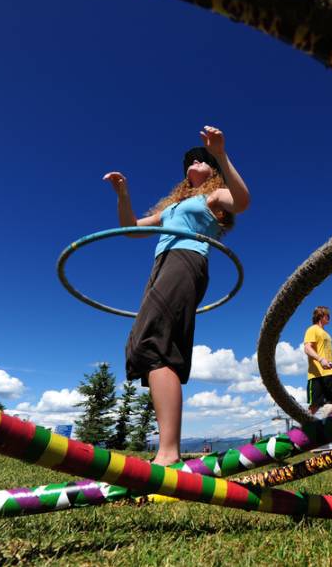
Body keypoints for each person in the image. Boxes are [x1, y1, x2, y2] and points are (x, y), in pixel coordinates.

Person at [103, 125, 250, 467]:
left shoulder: (212, 197)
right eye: (188, 163)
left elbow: (241, 201)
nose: (191, 165)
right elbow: (130, 230)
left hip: (186, 261)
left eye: (199, 161)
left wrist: (221, 154)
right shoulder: (171, 209)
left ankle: (168, 453)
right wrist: (123, 196)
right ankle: (168, 450)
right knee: (150, 345)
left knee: (153, 341)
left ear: (211, 169)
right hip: (162, 265)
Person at [303, 306, 332, 417]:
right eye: (327, 315)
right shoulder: (312, 329)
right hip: (317, 375)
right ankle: (301, 432)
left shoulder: (326, 333)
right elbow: (307, 348)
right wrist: (321, 359)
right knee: (314, 407)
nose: (329, 317)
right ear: (320, 316)